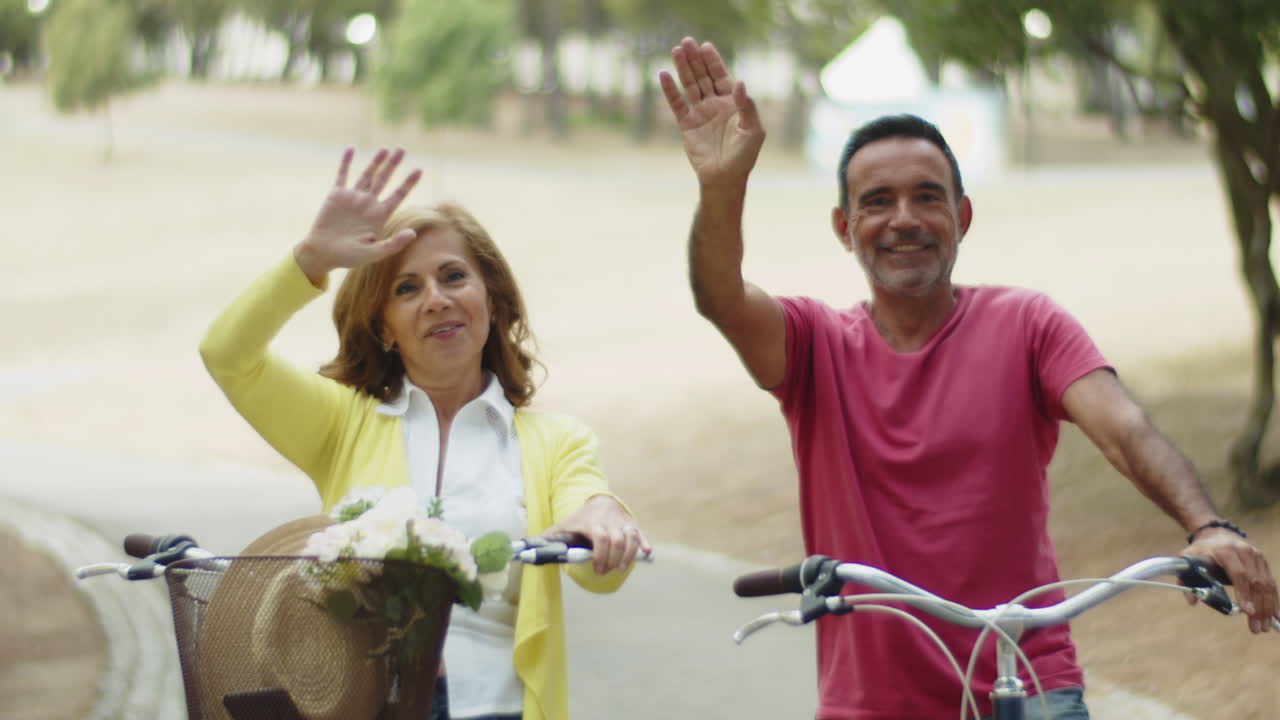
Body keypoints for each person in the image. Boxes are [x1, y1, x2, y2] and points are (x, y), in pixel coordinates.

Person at [658, 36, 1278, 720]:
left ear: (962, 216)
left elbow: (1125, 431)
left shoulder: (1029, 325)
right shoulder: (813, 344)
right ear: (845, 226)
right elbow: (719, 298)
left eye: (928, 197)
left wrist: (1208, 525)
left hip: (1028, 675)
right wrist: (723, 186)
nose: (904, 219)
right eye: (877, 202)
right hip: (872, 701)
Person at [199, 147, 650, 720]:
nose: (436, 299)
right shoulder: (342, 423)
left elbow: (593, 545)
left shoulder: (556, 440)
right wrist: (309, 260)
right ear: (383, 323)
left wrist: (602, 517)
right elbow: (227, 355)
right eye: (407, 288)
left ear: (492, 298)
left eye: (454, 276)